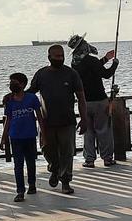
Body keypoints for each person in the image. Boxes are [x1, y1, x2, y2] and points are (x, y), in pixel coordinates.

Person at [29, 44, 88, 195]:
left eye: (62, 56)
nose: (60, 59)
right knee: (47, 149)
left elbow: (81, 97)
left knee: (67, 152)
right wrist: (14, 95)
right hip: (46, 121)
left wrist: (84, 118)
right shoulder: (41, 74)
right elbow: (30, 93)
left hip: (67, 121)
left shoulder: (71, 74)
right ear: (49, 57)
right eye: (56, 56)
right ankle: (54, 168)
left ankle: (65, 181)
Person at [68, 34, 117, 168]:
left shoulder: (75, 62)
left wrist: (106, 59)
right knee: (103, 130)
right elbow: (105, 74)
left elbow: (93, 68)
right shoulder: (92, 60)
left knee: (88, 131)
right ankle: (107, 158)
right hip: (99, 100)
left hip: (83, 102)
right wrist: (114, 64)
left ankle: (89, 159)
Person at [1, 72, 44, 203]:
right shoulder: (9, 101)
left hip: (30, 135)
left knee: (31, 162)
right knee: (18, 165)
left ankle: (32, 184)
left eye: (16, 83)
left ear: (23, 84)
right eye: (11, 83)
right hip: (15, 137)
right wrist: (3, 138)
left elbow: (40, 117)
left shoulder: (32, 98)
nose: (12, 85)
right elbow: (8, 120)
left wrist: (44, 134)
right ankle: (20, 190)